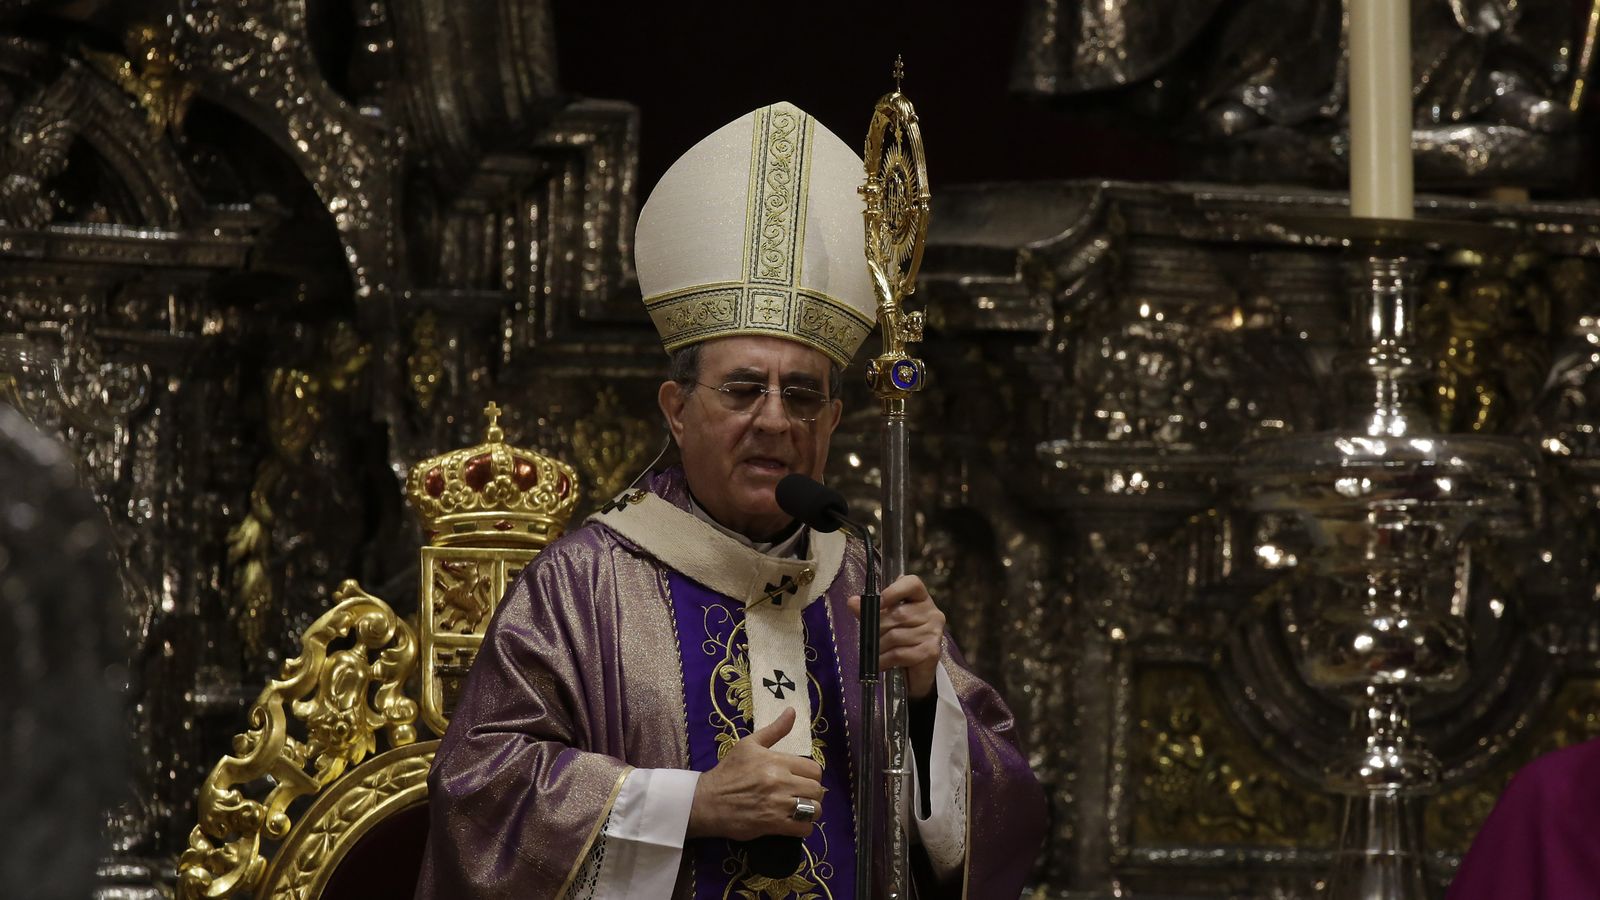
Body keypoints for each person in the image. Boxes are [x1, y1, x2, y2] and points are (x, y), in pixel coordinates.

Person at [415, 100, 1047, 899]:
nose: (775, 419)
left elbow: (1006, 818)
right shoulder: (582, 587)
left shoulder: (865, 584)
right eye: (744, 389)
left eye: (803, 395)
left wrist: (926, 698)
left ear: (834, 423)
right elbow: (481, 793)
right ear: (677, 411)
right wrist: (692, 805)